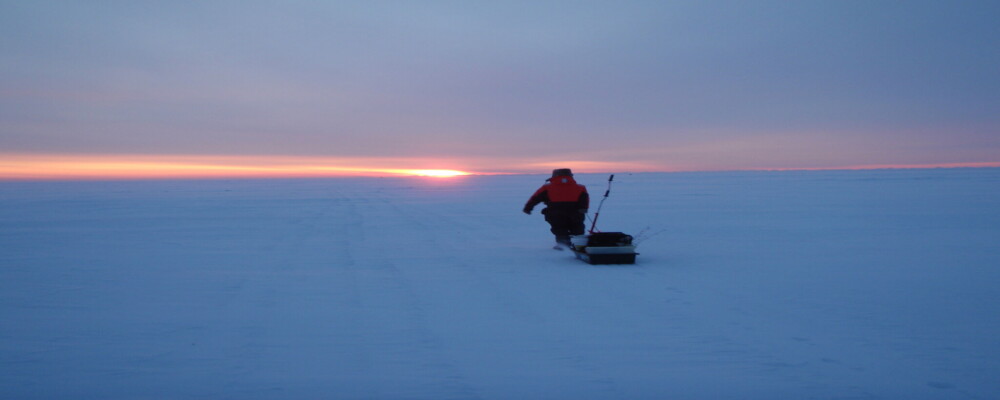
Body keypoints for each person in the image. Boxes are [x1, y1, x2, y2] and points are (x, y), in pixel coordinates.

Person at [523, 168, 589, 246]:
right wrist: (583, 208)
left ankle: (563, 246)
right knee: (577, 228)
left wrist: (528, 208)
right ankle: (579, 245)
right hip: (575, 213)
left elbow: (535, 198)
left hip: (555, 213)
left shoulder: (546, 187)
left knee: (560, 228)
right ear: (570, 176)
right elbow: (584, 199)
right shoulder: (581, 187)